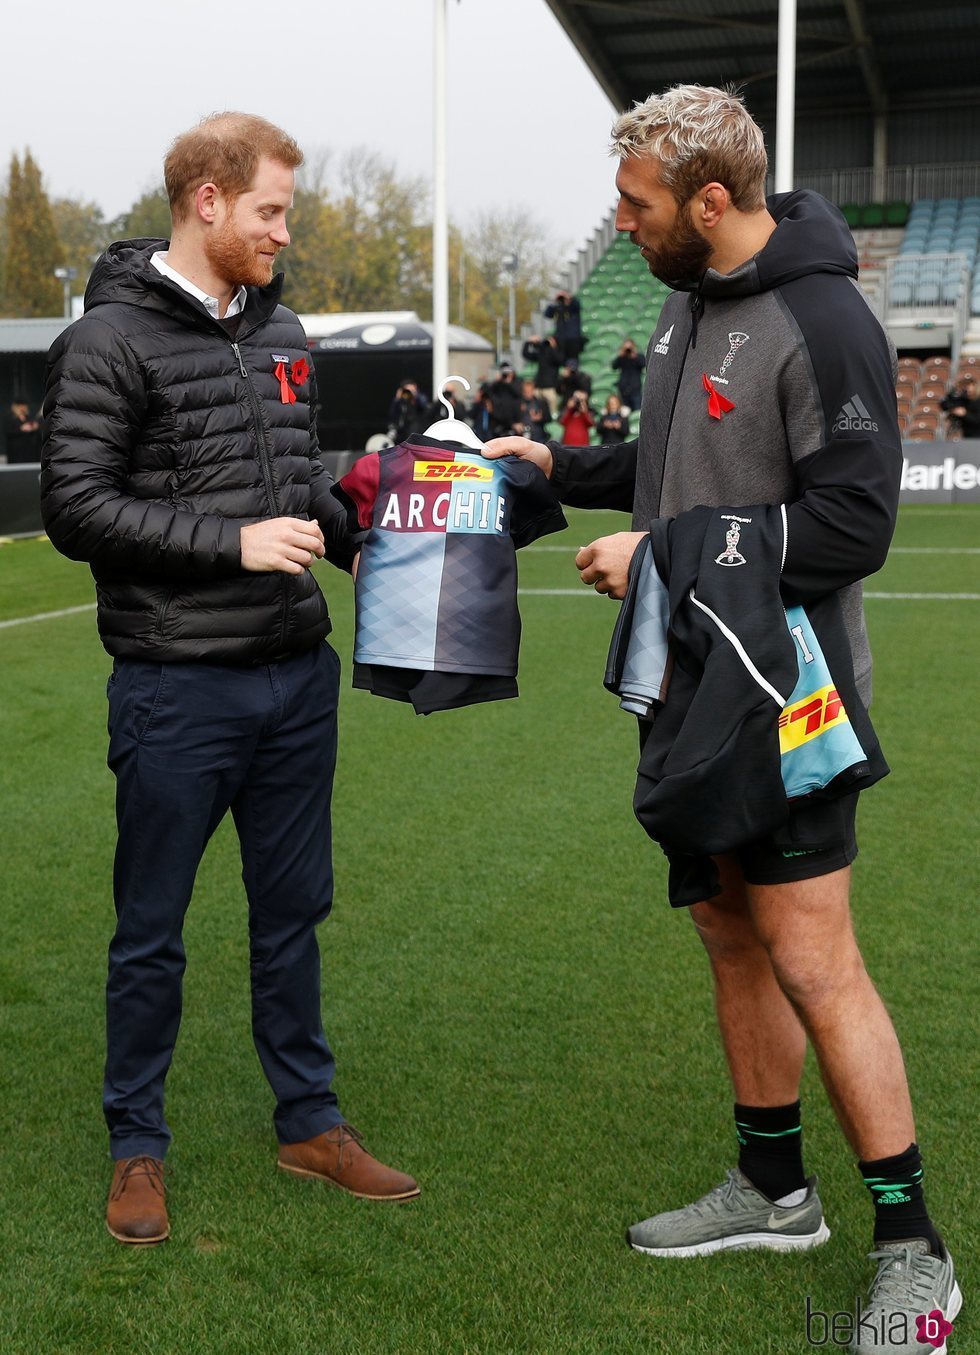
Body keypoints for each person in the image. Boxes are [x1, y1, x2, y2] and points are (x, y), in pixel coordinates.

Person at [483, 84, 958, 1352]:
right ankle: (770, 1186)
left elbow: (854, 524)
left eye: (637, 205)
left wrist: (659, 552)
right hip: (693, 679)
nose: (621, 223)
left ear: (708, 200)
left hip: (789, 691)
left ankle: (915, 1247)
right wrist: (560, 469)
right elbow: (671, 473)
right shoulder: (691, 303)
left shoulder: (824, 317)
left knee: (811, 954)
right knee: (727, 933)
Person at [41, 111, 419, 1247]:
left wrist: (379, 540)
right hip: (176, 686)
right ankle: (135, 1147)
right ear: (206, 200)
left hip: (294, 679)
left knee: (292, 913)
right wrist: (233, 543)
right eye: (270, 210)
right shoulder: (108, 339)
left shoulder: (284, 325)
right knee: (151, 927)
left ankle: (308, 1121)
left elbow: (297, 476)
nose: (283, 233)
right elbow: (75, 506)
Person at [521, 333, 562, 416]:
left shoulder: (557, 353)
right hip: (539, 387)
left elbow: (559, 359)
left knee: (553, 413)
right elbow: (526, 354)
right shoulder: (542, 354)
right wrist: (529, 342)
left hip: (550, 388)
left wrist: (553, 347)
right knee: (535, 411)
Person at [544, 288, 585, 360]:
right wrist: (554, 301)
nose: (564, 300)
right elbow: (547, 314)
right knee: (561, 360)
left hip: (573, 339)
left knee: (573, 361)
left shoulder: (573, 307)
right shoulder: (558, 307)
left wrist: (568, 297)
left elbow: (577, 305)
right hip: (560, 338)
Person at [3, 396, 41, 463]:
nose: (23, 407)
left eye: (24, 405)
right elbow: (8, 432)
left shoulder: (29, 417)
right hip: (16, 453)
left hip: (30, 453)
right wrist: (21, 429)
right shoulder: (9, 417)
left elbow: (36, 433)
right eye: (20, 405)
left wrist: (35, 427)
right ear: (15, 407)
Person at [940, 373, 980, 438]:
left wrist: (965, 414)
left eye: (969, 385)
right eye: (964, 385)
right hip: (966, 435)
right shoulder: (963, 400)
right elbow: (945, 405)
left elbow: (977, 420)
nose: (967, 388)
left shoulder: (978, 401)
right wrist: (953, 391)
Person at [611, 338, 645, 410]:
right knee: (625, 411)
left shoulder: (638, 357)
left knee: (637, 411)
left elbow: (643, 364)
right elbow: (614, 366)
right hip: (623, 390)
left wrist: (634, 356)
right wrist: (620, 355)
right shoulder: (622, 358)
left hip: (635, 390)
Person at [518, 378, 552, 445]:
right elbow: (510, 418)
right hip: (522, 437)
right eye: (526, 391)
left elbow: (549, 418)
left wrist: (540, 418)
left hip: (538, 437)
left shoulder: (541, 403)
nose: (528, 393)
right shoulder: (518, 403)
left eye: (530, 391)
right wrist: (516, 424)